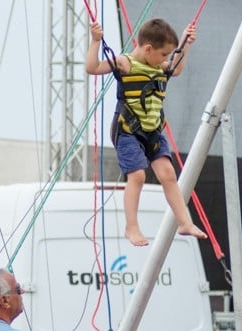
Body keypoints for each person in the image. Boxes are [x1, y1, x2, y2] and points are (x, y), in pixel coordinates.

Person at [86, 18, 207, 247]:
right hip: (128, 130)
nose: (166, 60)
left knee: (168, 174)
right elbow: (92, 68)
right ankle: (131, 227)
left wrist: (185, 42)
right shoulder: (125, 63)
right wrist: (95, 41)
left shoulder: (159, 66)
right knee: (138, 175)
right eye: (164, 55)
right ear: (149, 48)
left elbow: (177, 67)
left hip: (153, 130)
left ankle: (184, 222)